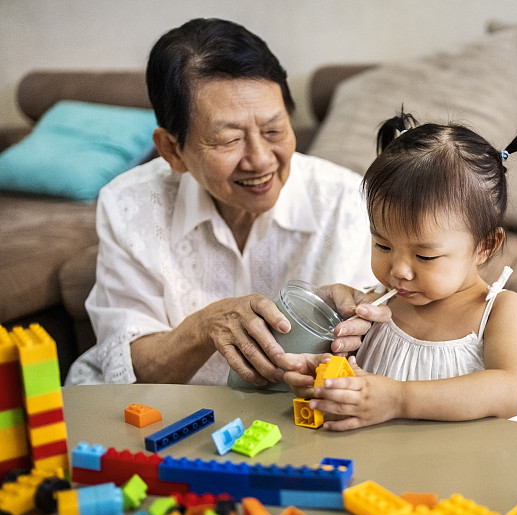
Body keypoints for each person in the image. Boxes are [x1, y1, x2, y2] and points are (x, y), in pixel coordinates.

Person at [66, 18, 388, 386]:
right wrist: (203, 327)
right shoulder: (129, 204)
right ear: (173, 150)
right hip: (171, 412)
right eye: (228, 139)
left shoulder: (347, 202)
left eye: (274, 130)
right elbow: (131, 369)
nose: (262, 159)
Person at [284, 110, 517, 429]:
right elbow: (364, 386)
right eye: (383, 246)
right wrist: (336, 383)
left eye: (424, 257)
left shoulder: (499, 312)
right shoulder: (377, 308)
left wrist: (398, 398)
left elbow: (510, 390)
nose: (399, 271)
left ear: (485, 246)